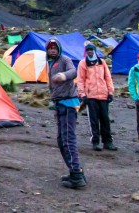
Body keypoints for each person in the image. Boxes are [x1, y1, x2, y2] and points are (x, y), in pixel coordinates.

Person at [47, 38, 86, 189]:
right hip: (60, 105)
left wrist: (63, 76)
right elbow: (52, 87)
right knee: (61, 140)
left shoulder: (65, 59)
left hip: (69, 104)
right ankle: (74, 171)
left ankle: (77, 175)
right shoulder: (50, 64)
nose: (52, 50)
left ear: (59, 48)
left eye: (54, 48)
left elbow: (73, 72)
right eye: (50, 48)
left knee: (68, 139)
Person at [77, 43, 116, 151]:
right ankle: (95, 142)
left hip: (103, 95)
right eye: (88, 50)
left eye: (91, 49)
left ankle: (108, 142)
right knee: (94, 120)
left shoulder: (101, 62)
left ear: (94, 51)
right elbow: (80, 80)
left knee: (105, 120)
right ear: (86, 51)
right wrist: (83, 94)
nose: (90, 51)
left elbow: (108, 77)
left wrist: (111, 92)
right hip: (91, 96)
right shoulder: (83, 63)